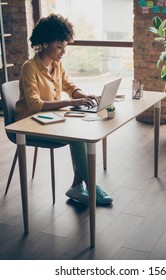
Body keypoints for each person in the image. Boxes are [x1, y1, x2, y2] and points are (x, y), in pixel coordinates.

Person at [15, 13, 113, 206]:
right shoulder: (30, 68)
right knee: (76, 139)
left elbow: (70, 87)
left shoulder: (57, 65)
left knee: (83, 131)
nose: (63, 52)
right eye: (59, 47)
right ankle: (92, 188)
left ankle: (77, 187)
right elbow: (35, 105)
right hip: (31, 124)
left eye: (64, 47)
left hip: (50, 119)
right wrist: (71, 103)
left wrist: (83, 96)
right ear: (44, 44)